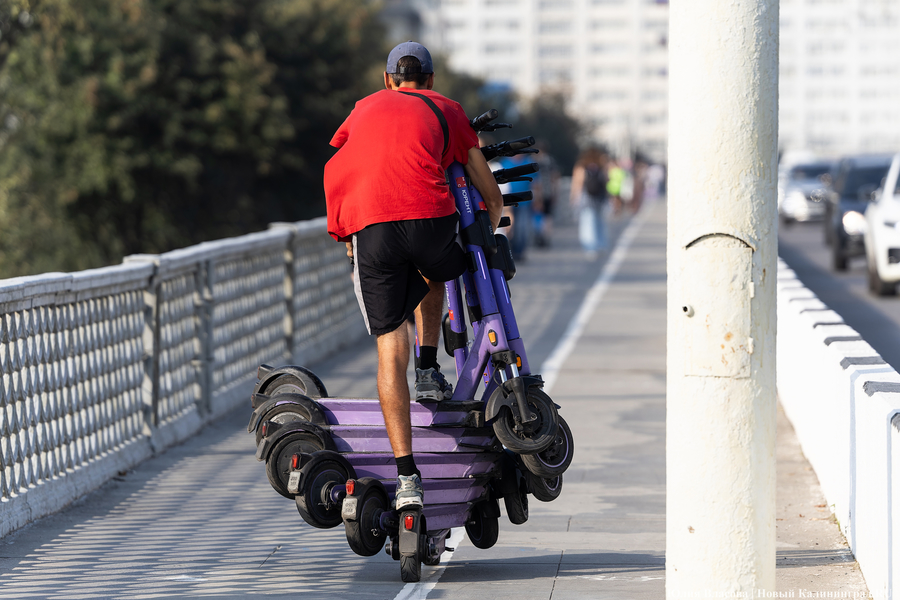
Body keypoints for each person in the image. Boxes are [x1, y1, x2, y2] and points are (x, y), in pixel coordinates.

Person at [323, 42, 504, 511]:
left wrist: (346, 234)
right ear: (432, 80)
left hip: (370, 225)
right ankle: (428, 369)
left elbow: (344, 160)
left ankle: (407, 479)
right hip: (429, 218)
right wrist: (496, 218)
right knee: (436, 267)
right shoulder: (447, 108)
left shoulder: (362, 109)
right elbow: (486, 185)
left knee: (388, 342)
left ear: (387, 80)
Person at [570, 147, 610, 257]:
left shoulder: (581, 166)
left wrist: (573, 198)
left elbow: (577, 184)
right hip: (599, 199)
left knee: (587, 222)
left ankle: (590, 247)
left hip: (586, 199)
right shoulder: (601, 167)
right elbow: (606, 182)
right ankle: (602, 244)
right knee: (600, 222)